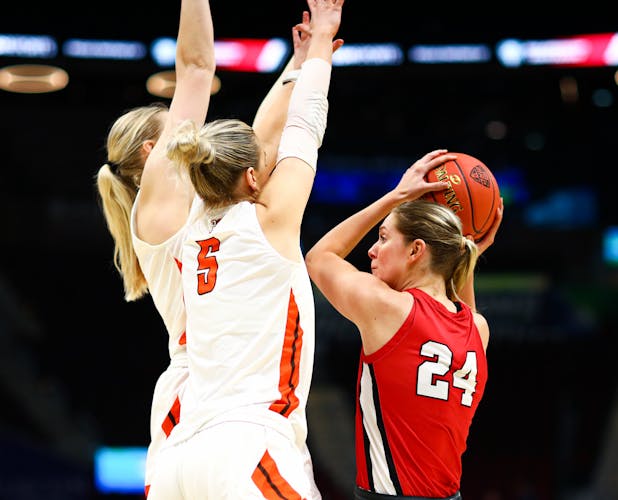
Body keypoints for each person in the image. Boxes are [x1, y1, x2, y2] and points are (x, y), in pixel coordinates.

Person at [94, 0, 338, 496]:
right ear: (154, 153)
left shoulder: (204, 213)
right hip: (225, 404)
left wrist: (298, 66)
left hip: (193, 416)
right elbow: (197, 69)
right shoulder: (184, 210)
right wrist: (313, 62)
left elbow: (258, 142)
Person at [304, 149, 504, 500]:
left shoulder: (387, 308)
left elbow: (320, 257)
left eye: (383, 237)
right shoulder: (477, 328)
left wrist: (396, 196)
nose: (372, 250)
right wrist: (466, 249)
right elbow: (458, 305)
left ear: (416, 251)